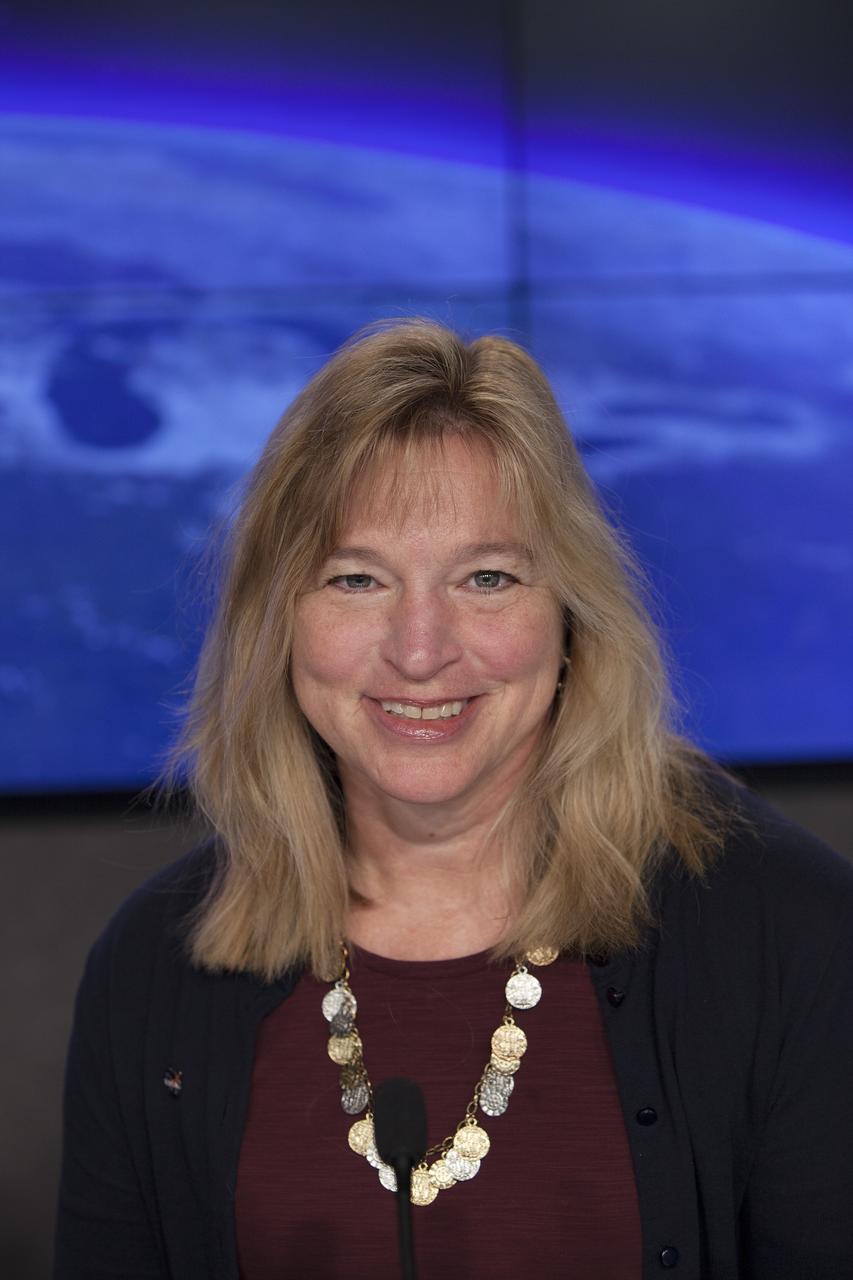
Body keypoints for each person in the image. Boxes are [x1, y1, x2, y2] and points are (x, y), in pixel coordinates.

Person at [54, 318, 853, 1280]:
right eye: (356, 579)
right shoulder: (155, 971)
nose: (421, 648)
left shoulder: (791, 936)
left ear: (570, 616)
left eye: (486, 577)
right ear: (277, 627)